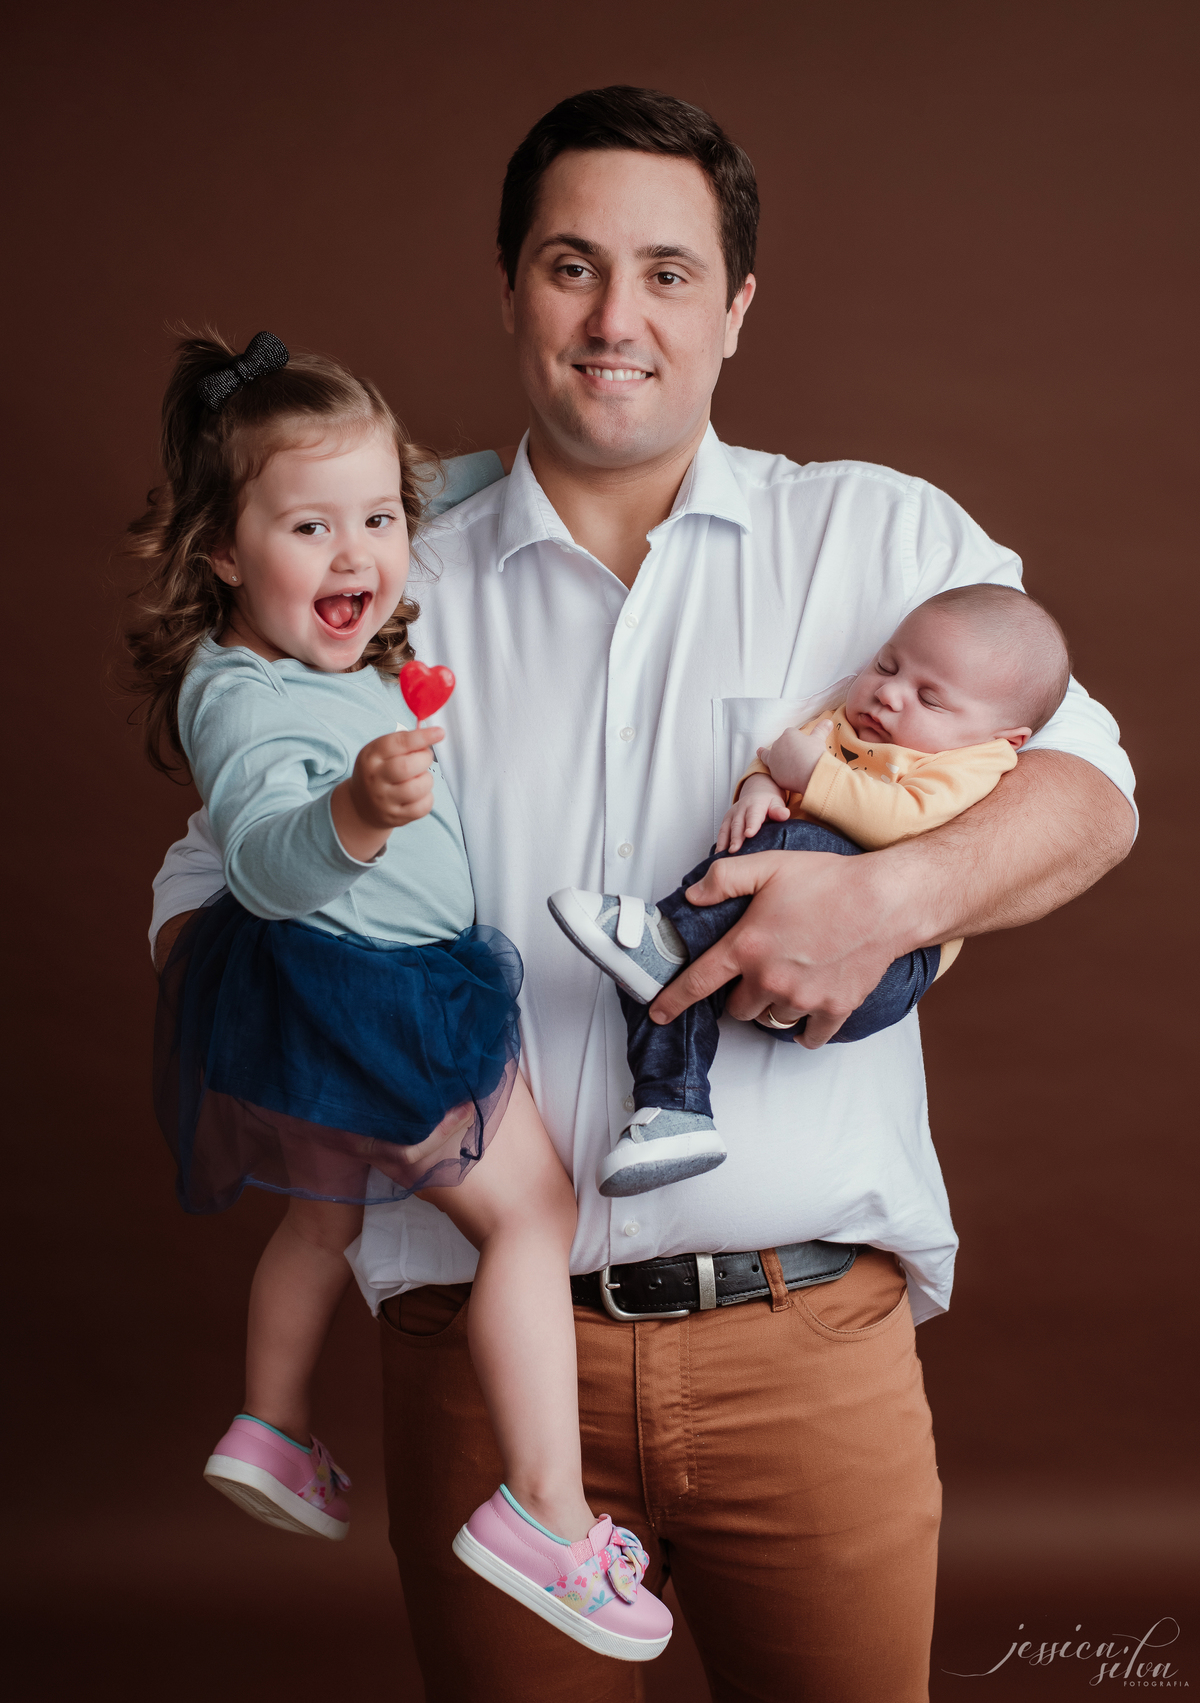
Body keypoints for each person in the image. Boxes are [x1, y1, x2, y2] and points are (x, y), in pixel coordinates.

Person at [149, 87, 1136, 1702]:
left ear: (736, 306)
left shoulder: (877, 535)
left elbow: (1090, 792)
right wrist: (332, 1041)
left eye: (668, 272)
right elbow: (211, 878)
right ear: (509, 288)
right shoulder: (380, 566)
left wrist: (888, 900)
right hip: (474, 1357)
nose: (618, 319)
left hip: (803, 1347)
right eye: (573, 266)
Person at [129, 330, 671, 1661]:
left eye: (379, 520)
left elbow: (438, 482)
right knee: (533, 1213)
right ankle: (546, 1510)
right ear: (220, 551)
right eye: (310, 527)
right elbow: (263, 857)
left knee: (324, 1215)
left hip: (317, 1007)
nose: (360, 555)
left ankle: (270, 1423)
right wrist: (357, 815)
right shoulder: (242, 696)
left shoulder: (330, 634)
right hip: (377, 993)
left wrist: (500, 468)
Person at [548, 583, 1070, 1197]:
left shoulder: (974, 762)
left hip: (880, 970)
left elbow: (902, 821)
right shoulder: (846, 722)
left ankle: (666, 936)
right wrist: (761, 788)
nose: (889, 693)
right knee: (664, 987)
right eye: (886, 665)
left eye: (930, 698)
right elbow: (779, 758)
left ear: (1006, 738)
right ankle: (674, 1112)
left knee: (798, 847)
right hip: (760, 947)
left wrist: (812, 776)